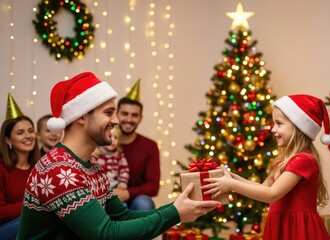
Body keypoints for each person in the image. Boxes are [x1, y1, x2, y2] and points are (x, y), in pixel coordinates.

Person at [18, 72, 219, 239]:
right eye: (108, 113)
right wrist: (174, 214)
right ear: (81, 116)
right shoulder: (60, 170)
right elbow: (105, 235)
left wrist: (179, 208)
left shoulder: (90, 165)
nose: (116, 120)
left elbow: (122, 216)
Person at [203, 94, 330, 240]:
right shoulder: (283, 161)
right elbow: (263, 188)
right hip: (282, 225)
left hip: (297, 229)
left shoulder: (304, 160)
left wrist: (232, 185)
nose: (273, 129)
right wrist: (235, 179)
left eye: (279, 124)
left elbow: (272, 194)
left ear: (298, 127)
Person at [114, 80, 160, 211]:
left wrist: (127, 193)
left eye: (134, 115)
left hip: (137, 199)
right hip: (109, 197)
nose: (129, 119)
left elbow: (153, 186)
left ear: (141, 118)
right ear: (116, 114)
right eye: (124, 114)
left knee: (144, 203)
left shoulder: (150, 146)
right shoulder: (103, 143)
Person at [0, 93, 40, 240]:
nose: (28, 136)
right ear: (8, 140)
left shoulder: (40, 167)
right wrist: (33, 204)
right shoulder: (1, 168)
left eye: (30, 131)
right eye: (20, 132)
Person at [93, 125, 130, 189]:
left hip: (115, 186)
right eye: (110, 136)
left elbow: (124, 170)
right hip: (98, 186)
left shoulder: (119, 156)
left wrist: (123, 182)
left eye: (116, 138)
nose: (112, 140)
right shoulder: (95, 154)